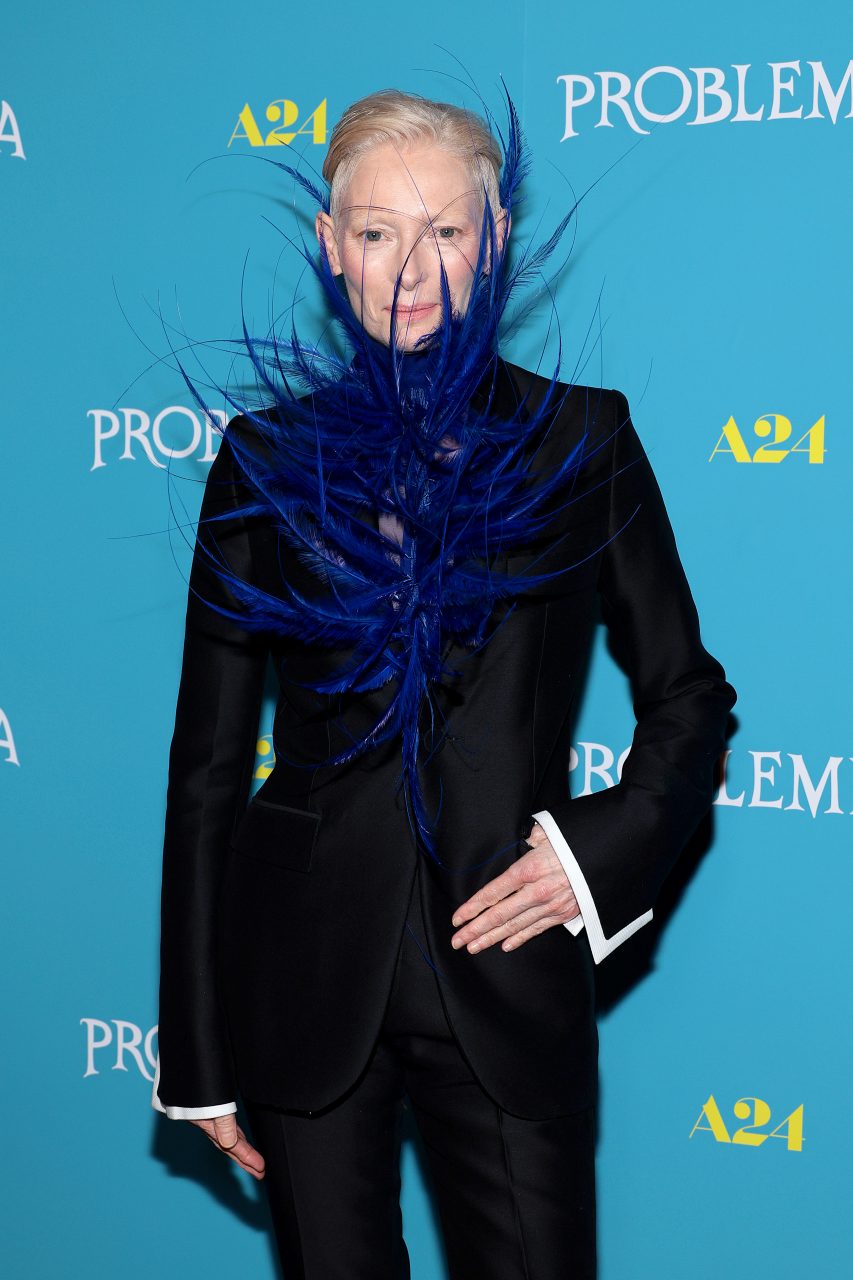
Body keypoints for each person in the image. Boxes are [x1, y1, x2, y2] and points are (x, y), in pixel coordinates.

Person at [151, 86, 736, 1279]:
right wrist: (197, 1050)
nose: (408, 269)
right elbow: (207, 771)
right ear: (330, 246)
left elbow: (687, 695)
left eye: (445, 231)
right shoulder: (261, 463)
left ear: (498, 236)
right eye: (374, 233)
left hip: (510, 985)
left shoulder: (586, 441)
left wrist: (584, 858)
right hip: (307, 980)